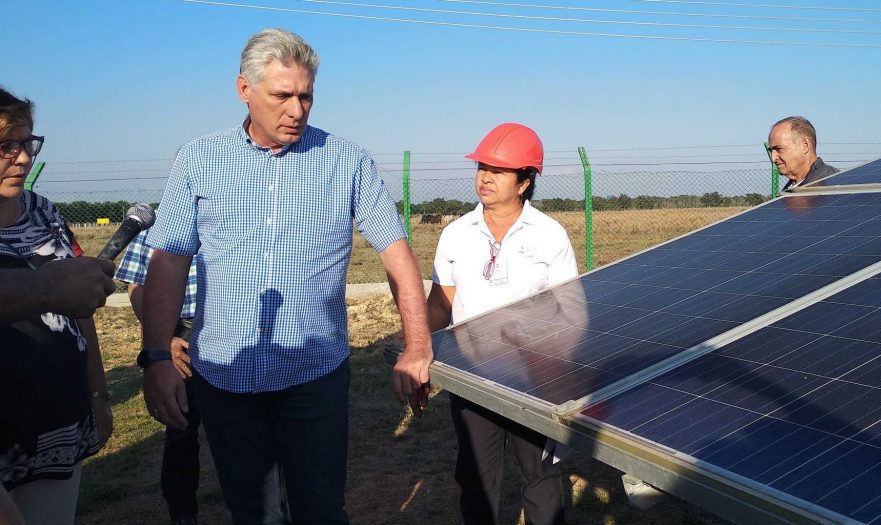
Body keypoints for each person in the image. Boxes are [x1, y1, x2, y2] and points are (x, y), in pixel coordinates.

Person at [139, 28, 432, 524]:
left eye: (306, 96)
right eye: (282, 95)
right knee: (252, 511)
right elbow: (169, 259)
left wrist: (418, 343)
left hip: (314, 376)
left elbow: (396, 253)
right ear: (244, 89)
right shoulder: (198, 160)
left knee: (320, 509)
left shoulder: (348, 162)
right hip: (226, 377)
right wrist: (155, 355)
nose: (297, 109)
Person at [426, 123, 578, 525]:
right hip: (473, 376)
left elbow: (572, 310)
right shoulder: (456, 234)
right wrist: (418, 350)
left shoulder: (550, 235)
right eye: (481, 167)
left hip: (535, 377)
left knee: (541, 476)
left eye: (498, 170)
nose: (485, 177)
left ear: (525, 181)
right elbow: (441, 304)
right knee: (476, 478)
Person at [0, 87, 113, 524]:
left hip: (57, 427)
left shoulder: (45, 213)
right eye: (6, 146)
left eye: (27, 143)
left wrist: (99, 395)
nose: (24, 158)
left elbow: (78, 312)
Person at [115, 231, 201, 525]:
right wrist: (164, 340)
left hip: (229, 334)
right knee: (181, 430)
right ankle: (182, 512)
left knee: (243, 426)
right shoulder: (156, 226)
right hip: (181, 338)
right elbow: (137, 285)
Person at [767, 116, 838, 192]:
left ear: (805, 145)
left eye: (779, 149)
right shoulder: (790, 190)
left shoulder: (833, 184)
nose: (773, 158)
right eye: (771, 151)